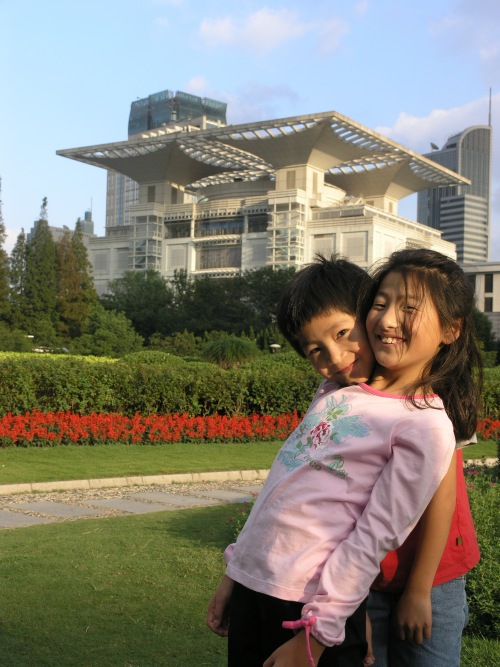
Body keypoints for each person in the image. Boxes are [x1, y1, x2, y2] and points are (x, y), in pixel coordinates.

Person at [207, 250, 481, 667]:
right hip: (298, 587)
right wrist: (237, 570)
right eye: (381, 304)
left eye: (341, 333)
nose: (334, 357)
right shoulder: (335, 393)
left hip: (360, 589)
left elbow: (382, 530)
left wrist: (325, 629)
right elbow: (284, 485)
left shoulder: (425, 422)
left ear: (450, 329)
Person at [361, 250, 482, 667]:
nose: (388, 320)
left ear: (451, 330)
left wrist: (419, 589)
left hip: (434, 577)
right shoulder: (349, 396)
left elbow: (440, 501)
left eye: (409, 308)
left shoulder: (440, 405)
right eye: (380, 303)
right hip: (361, 575)